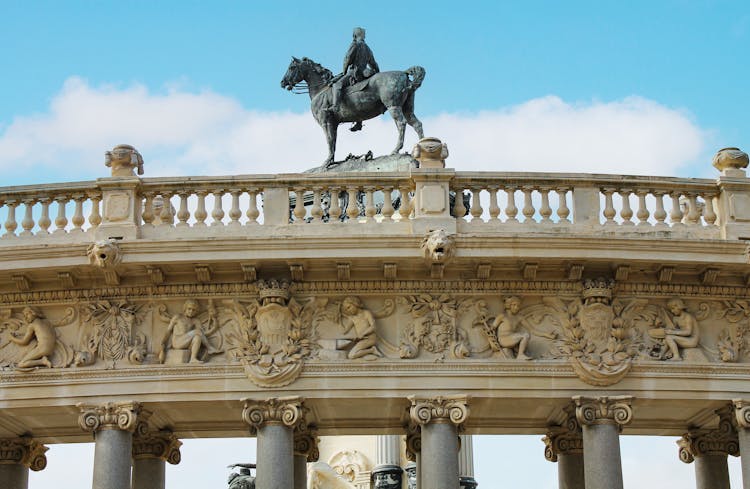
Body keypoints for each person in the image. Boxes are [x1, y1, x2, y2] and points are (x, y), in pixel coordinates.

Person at [329, 27, 380, 131]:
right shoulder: (367, 47)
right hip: (365, 74)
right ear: (363, 35)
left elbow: (347, 58)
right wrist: (377, 72)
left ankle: (335, 107)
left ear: (355, 35)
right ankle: (358, 122)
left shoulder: (354, 45)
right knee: (357, 95)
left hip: (354, 73)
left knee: (336, 85)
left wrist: (344, 72)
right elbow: (373, 63)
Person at [159, 299, 217, 364]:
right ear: (185, 308)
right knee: (197, 332)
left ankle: (193, 358)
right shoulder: (178, 317)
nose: (191, 311)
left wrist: (214, 326)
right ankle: (210, 348)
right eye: (189, 309)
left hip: (187, 343)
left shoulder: (195, 321)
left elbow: (202, 334)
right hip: (177, 342)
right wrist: (163, 342)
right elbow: (168, 331)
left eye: (193, 310)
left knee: (197, 337)